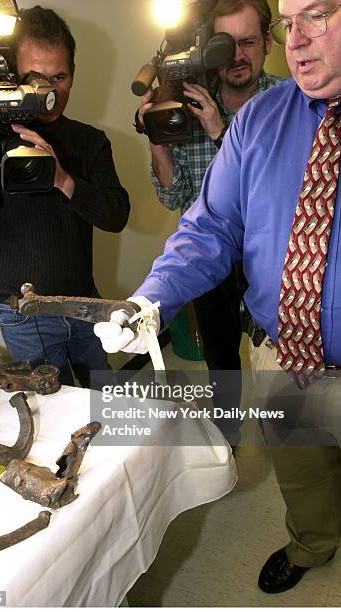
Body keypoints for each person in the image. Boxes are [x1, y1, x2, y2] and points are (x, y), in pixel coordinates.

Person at [95, 0, 341, 595]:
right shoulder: (261, 119)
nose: (298, 39)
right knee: (304, 475)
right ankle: (314, 542)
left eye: (321, 15)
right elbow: (209, 227)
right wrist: (151, 300)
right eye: (291, 22)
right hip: (285, 358)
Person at [0, 6, 130, 388]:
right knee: (51, 421)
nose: (48, 91)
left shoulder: (89, 141)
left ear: (73, 76)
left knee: (107, 400)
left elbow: (116, 216)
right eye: (35, 77)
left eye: (59, 77)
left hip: (85, 303)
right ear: (13, 73)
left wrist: (62, 178)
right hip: (22, 315)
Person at [136, 0, 283, 445]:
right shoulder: (189, 106)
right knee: (221, 359)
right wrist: (158, 137)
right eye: (225, 45)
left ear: (269, 43)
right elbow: (172, 194)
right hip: (210, 262)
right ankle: (227, 437)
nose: (237, 56)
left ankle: (292, 441)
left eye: (248, 42)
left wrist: (223, 132)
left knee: (280, 357)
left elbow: (275, 197)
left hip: (271, 259)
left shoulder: (287, 106)